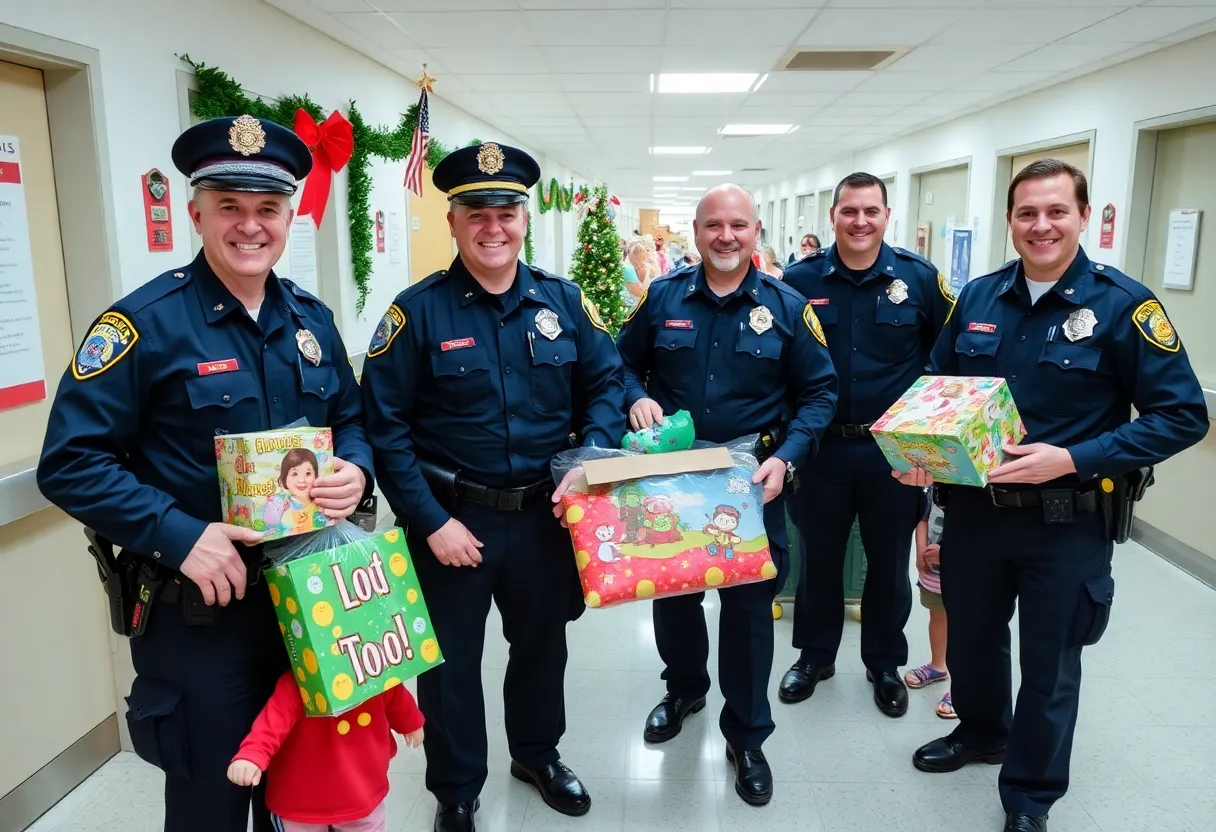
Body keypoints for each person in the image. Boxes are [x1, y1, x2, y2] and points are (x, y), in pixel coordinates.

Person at [36, 114, 373, 832]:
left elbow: (353, 419)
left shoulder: (312, 322)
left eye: (268, 210)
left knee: (305, 788)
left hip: (309, 601)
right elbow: (69, 462)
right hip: (200, 613)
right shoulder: (143, 326)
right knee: (212, 801)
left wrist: (357, 472)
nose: (250, 226)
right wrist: (180, 534)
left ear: (289, 219)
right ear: (196, 213)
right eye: (230, 207)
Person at [896, 159, 1208, 832]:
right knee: (974, 644)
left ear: (1083, 217)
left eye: (1056, 211)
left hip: (1067, 523)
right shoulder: (977, 299)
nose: (1041, 226)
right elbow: (936, 385)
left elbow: (1183, 414)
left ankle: (1031, 797)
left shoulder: (1125, 306)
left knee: (1049, 664)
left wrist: (1073, 457)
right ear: (1010, 220)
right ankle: (981, 733)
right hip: (975, 514)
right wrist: (919, 451)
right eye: (1027, 213)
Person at [359, 141, 626, 832]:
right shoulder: (415, 314)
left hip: (545, 516)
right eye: (476, 212)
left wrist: (582, 469)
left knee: (542, 647)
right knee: (448, 666)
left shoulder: (564, 302)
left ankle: (537, 755)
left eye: (506, 210)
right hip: (451, 519)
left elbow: (606, 386)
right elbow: (384, 430)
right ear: (452, 222)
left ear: (524, 218)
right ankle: (455, 788)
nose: (493, 226)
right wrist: (428, 522)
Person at [615, 184, 837, 806]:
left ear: (756, 231)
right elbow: (620, 364)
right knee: (674, 596)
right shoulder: (662, 299)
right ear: (697, 229)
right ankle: (684, 688)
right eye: (714, 225)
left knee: (746, 613)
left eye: (738, 225)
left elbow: (821, 394)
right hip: (671, 481)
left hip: (749, 483)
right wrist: (635, 395)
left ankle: (746, 733)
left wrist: (786, 459)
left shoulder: (789, 306)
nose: (725, 236)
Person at [779, 172, 954, 718]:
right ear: (832, 216)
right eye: (849, 211)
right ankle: (815, 655)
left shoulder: (919, 279)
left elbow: (947, 362)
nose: (860, 221)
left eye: (870, 211)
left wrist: (932, 448)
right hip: (821, 448)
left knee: (887, 562)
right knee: (819, 557)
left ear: (886, 215)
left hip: (893, 455)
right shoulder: (798, 278)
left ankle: (883, 662)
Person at [227, 670, 425, 832]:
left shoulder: (376, 673)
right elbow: (272, 723)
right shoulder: (298, 683)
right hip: (304, 804)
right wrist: (252, 754)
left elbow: (396, 695)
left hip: (358, 795)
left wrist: (411, 722)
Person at [905, 486, 953, 719]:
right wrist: (921, 549)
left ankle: (962, 686)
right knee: (937, 615)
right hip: (933, 572)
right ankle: (938, 666)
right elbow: (923, 518)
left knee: (965, 628)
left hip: (965, 569)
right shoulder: (936, 483)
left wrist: (947, 553)